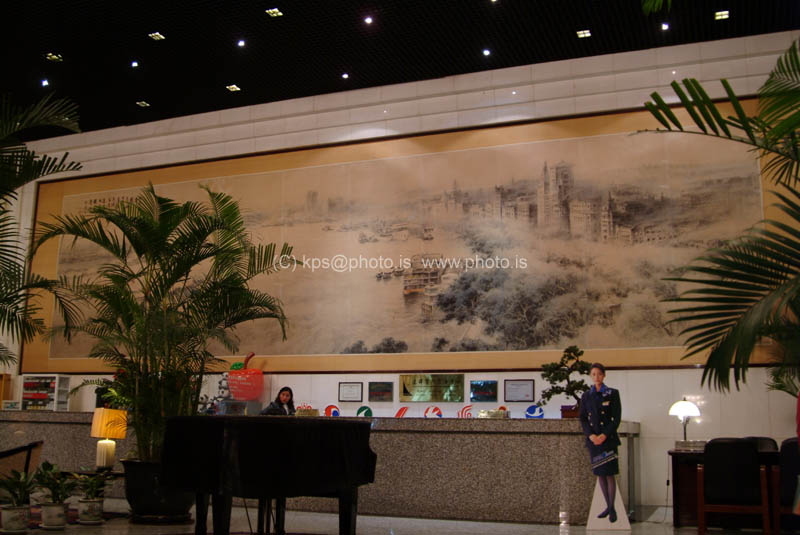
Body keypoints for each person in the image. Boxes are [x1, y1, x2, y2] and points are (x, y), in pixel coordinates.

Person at [579, 362, 622, 523]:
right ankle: (608, 507)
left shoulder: (612, 393)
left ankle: (612, 509)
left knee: (610, 474)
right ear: (591, 376)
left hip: (608, 440)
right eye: (594, 374)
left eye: (599, 374)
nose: (596, 377)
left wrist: (604, 435)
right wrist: (591, 435)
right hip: (594, 441)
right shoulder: (586, 395)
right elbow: (583, 418)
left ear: (604, 375)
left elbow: (616, 418)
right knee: (600, 474)